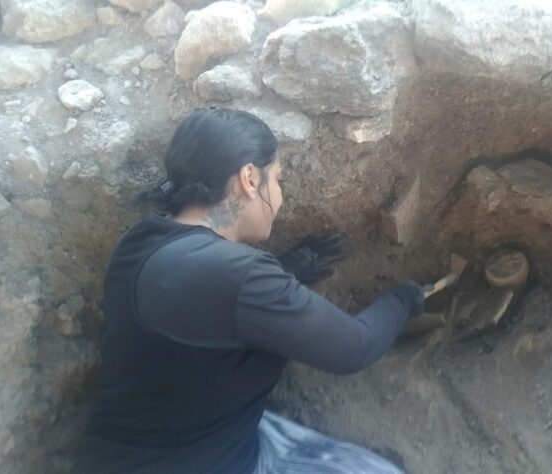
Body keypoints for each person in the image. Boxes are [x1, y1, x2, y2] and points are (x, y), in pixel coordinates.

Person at [75, 108, 424, 473]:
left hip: (138, 452)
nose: (280, 195)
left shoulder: (141, 240)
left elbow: (199, 309)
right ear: (248, 178)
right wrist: (403, 299)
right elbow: (355, 347)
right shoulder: (240, 276)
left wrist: (290, 269)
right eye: (277, 179)